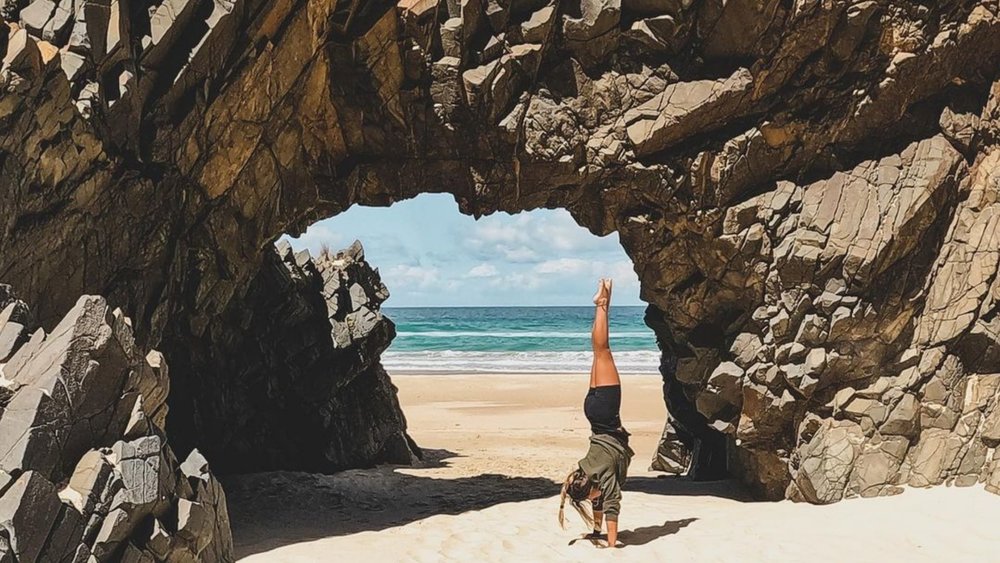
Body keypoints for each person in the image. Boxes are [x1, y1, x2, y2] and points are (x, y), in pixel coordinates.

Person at [558, 278, 634, 548]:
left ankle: (601, 305)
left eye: (591, 498)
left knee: (603, 351)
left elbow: (612, 504)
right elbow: (601, 501)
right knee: (597, 353)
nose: (596, 500)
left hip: (605, 411)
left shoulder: (603, 477)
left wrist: (611, 545)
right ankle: (604, 305)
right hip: (594, 413)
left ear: (590, 486)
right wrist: (596, 529)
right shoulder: (587, 471)